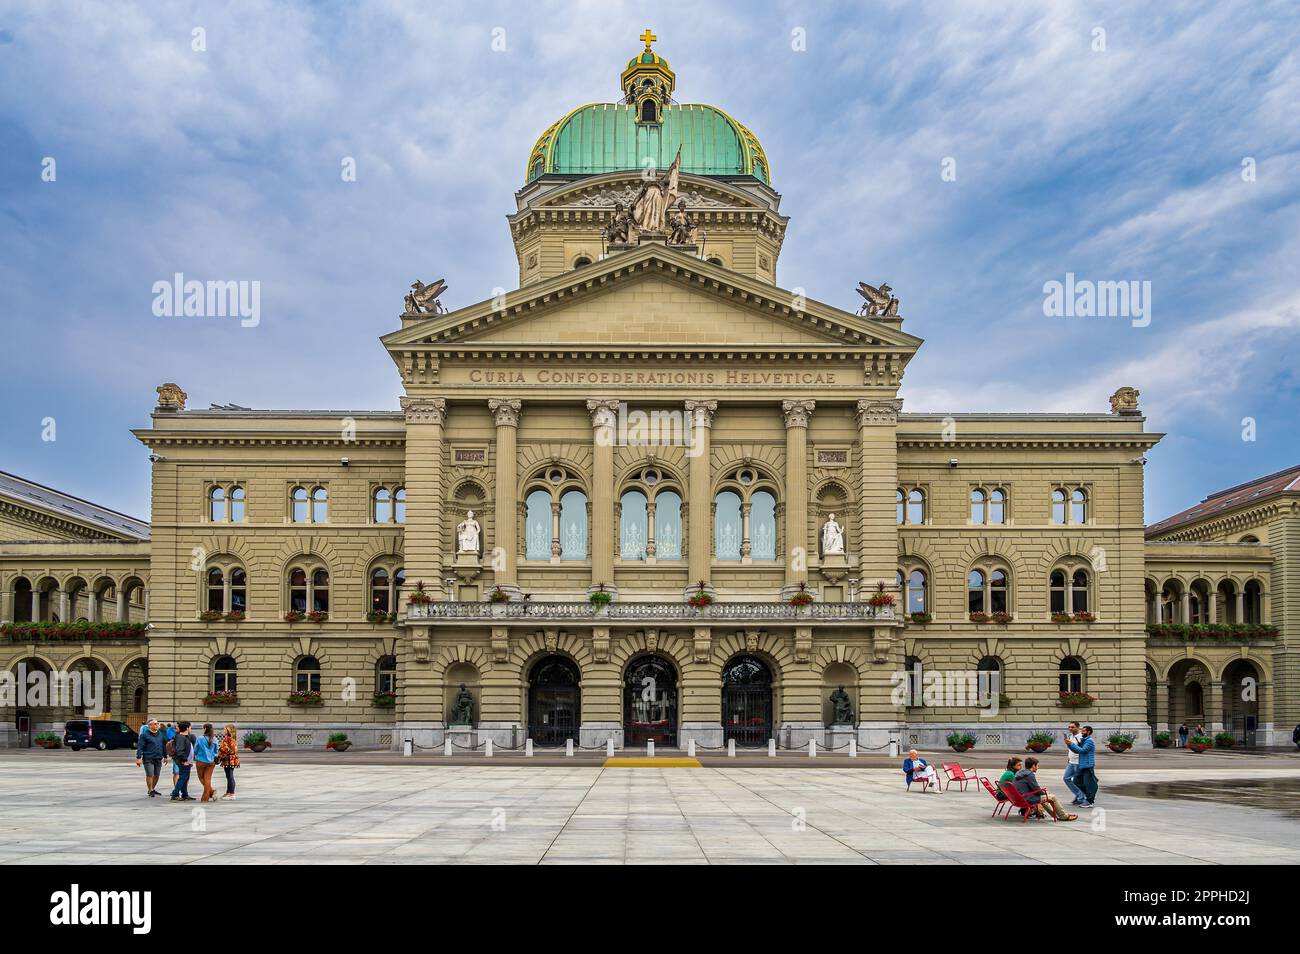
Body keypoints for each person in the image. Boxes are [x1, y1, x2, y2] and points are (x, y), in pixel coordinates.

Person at [1014, 756, 1077, 821]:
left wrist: (1043, 793)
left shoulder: (1020, 773)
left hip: (1020, 798)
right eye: (1037, 765)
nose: (1038, 767)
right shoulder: (1029, 775)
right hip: (1027, 799)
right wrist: (1044, 793)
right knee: (1052, 797)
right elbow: (1036, 789)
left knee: (1045, 798)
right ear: (1033, 766)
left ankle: (1056, 815)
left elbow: (1033, 788)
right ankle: (1064, 816)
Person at [134, 717, 168, 797]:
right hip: (148, 758)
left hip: (158, 757)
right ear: (150, 726)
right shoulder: (144, 735)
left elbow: (163, 745)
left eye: (157, 723)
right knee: (150, 774)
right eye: (155, 724)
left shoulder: (160, 734)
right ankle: (150, 790)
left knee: (157, 775)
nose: (157, 725)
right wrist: (138, 758)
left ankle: (153, 788)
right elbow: (140, 747)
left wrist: (165, 756)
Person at [1066, 724, 1098, 807]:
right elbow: (1077, 750)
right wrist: (1069, 744)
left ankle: (1089, 800)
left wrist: (1071, 744)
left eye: (1084, 731)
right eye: (1082, 730)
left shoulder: (1089, 741)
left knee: (1089, 783)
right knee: (1076, 780)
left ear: (1089, 732)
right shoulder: (1084, 740)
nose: (1082, 732)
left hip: (1088, 765)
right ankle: (1089, 794)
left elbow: (1082, 750)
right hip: (1082, 765)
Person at [193, 723, 220, 803]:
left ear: (205, 729)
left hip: (201, 761)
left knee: (201, 778)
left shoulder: (200, 738)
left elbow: (196, 750)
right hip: (211, 762)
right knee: (207, 779)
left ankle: (208, 795)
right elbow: (216, 751)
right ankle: (209, 794)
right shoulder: (214, 738)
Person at [169, 721, 196, 801]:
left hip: (187, 761)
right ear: (187, 728)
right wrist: (185, 760)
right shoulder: (181, 737)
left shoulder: (185, 737)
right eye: (190, 727)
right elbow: (180, 750)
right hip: (183, 762)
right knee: (183, 778)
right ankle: (175, 794)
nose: (190, 729)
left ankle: (185, 794)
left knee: (185, 778)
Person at [1062, 721, 1087, 806]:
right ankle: (1079, 795)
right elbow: (1071, 749)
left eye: (1072, 727)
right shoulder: (1070, 736)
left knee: (1078, 781)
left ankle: (1081, 798)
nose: (1070, 729)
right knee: (1066, 778)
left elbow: (1082, 749)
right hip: (1071, 762)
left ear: (1078, 727)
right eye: (1069, 727)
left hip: (1078, 762)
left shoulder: (1081, 737)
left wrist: (1071, 744)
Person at [217, 723, 240, 800]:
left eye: (225, 729)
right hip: (232, 759)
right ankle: (228, 792)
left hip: (228, 760)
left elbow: (227, 750)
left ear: (228, 730)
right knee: (229, 776)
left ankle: (232, 794)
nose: (223, 731)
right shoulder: (232, 738)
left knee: (230, 776)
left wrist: (220, 749)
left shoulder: (227, 739)